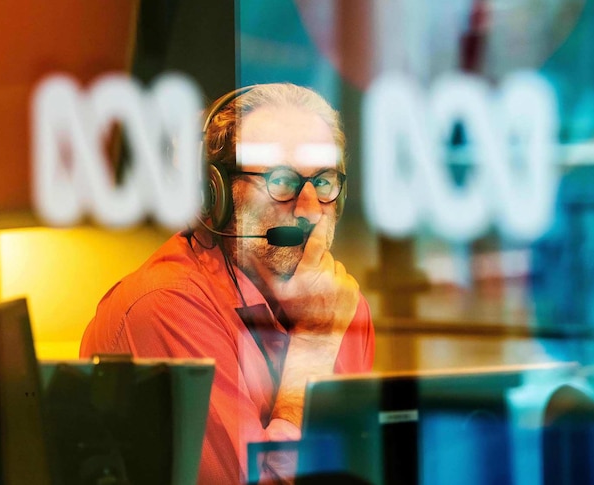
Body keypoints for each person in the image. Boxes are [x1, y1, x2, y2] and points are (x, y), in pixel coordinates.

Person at [80, 83, 375, 483]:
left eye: (323, 182)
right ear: (214, 195)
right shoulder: (164, 307)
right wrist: (312, 347)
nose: (309, 211)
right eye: (282, 180)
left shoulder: (342, 305)